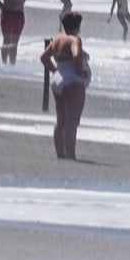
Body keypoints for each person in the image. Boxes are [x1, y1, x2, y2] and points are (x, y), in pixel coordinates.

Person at [40, 11, 90, 159]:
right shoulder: (75, 40)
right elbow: (76, 55)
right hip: (72, 82)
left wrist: (55, 70)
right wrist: (80, 72)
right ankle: (71, 154)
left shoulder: (57, 38)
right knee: (72, 121)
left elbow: (44, 57)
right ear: (78, 26)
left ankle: (60, 154)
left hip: (58, 79)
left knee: (61, 119)